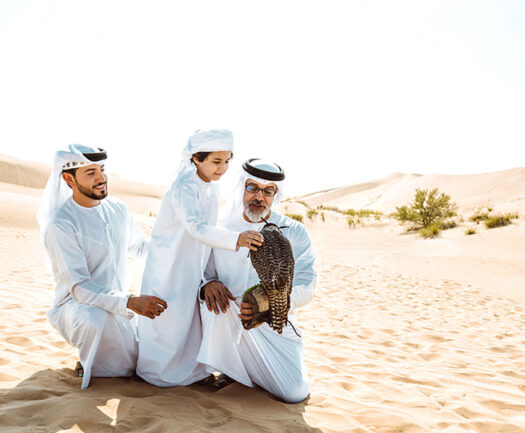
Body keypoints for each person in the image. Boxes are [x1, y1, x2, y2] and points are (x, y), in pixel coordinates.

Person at [137, 129, 264, 387]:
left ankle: (191, 373)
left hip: (194, 264)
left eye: (227, 160)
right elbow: (195, 227)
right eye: (216, 161)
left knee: (189, 321)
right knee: (167, 323)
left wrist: (208, 273)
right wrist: (235, 239)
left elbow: (206, 232)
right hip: (170, 263)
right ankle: (157, 375)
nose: (223, 168)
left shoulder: (212, 188)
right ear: (196, 158)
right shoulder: (184, 185)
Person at [37, 144, 167, 389]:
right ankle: (92, 366)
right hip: (77, 307)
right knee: (96, 319)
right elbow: (80, 287)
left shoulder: (117, 209)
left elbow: (140, 248)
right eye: (91, 173)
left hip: (118, 301)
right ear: (68, 179)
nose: (101, 178)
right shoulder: (61, 224)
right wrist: (129, 302)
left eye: (102, 170)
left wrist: (176, 250)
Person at [196, 159, 316, 403]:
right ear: (242, 187)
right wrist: (206, 285)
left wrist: (266, 303)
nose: (259, 197)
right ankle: (225, 368)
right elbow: (200, 271)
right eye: (252, 188)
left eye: (268, 191)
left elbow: (306, 285)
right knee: (214, 305)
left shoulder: (293, 231)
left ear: (275, 195)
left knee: (294, 393)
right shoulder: (219, 227)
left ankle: (245, 370)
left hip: (272, 324)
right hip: (226, 316)